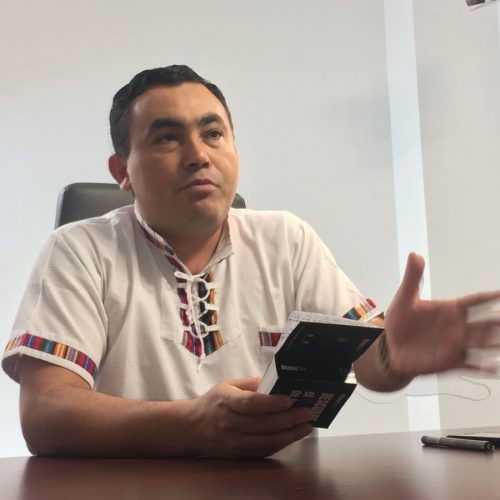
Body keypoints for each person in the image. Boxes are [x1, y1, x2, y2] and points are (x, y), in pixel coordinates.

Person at [3, 65, 500, 459]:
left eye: (213, 134)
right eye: (167, 138)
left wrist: (395, 353)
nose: (198, 155)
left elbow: (372, 366)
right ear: (122, 171)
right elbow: (46, 413)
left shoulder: (287, 239)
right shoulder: (79, 250)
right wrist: (192, 425)